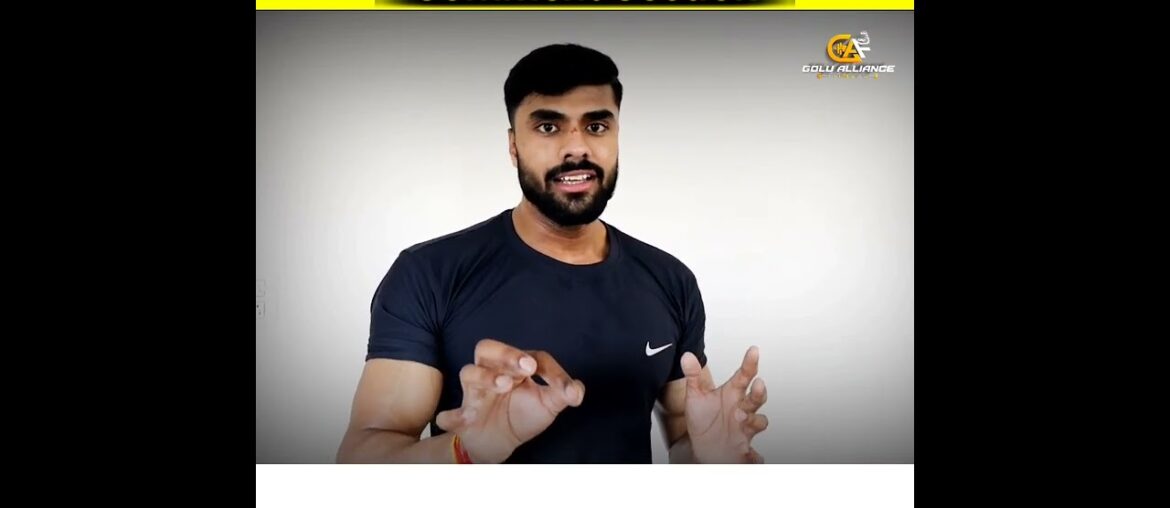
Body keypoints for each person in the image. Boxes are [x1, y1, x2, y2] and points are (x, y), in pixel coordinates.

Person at [336, 43, 769, 464]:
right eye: (548, 127)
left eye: (596, 126)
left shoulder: (671, 280)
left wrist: (710, 457)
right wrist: (465, 451)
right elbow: (362, 459)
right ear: (513, 146)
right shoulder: (429, 274)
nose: (576, 148)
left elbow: (682, 433)